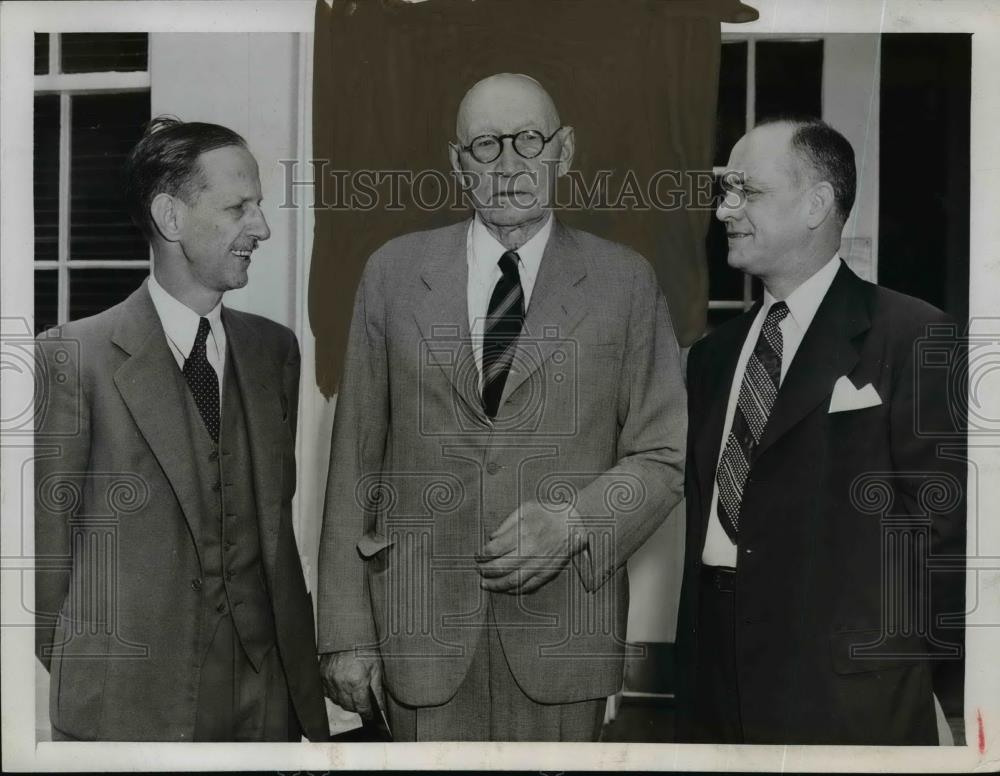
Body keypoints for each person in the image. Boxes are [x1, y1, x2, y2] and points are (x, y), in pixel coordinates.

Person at [316, 73, 687, 741]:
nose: (510, 164)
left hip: (565, 635)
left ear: (564, 151)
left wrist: (576, 521)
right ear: (458, 163)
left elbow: (664, 455)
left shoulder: (624, 281)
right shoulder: (393, 274)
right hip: (417, 637)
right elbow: (354, 463)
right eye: (486, 145)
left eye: (529, 140)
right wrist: (344, 634)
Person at [34, 117, 329, 742]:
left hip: (266, 702)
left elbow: (273, 528)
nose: (263, 228)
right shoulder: (72, 356)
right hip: (131, 708)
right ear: (170, 217)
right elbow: (44, 559)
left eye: (260, 207)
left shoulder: (275, 352)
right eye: (238, 208)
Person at [675, 118, 966, 745]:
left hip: (846, 688)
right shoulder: (711, 357)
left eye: (746, 190)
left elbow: (940, 533)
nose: (725, 208)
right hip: (713, 683)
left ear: (816, 204)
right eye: (723, 189)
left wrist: (900, 675)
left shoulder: (913, 335)